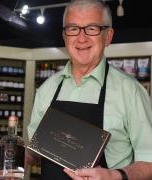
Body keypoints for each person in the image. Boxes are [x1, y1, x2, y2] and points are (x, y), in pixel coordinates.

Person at [27, 0, 152, 179]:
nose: (81, 38)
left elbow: (150, 162)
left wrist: (115, 176)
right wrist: (20, 157)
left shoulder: (131, 91)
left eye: (92, 28)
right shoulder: (47, 89)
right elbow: (36, 149)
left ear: (108, 36)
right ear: (64, 36)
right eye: (73, 29)